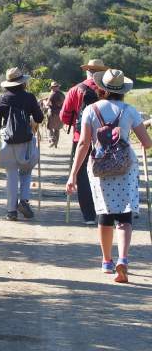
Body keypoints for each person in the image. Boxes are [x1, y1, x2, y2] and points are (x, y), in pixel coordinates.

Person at [66, 69, 152, 283]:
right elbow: (147, 142)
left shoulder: (91, 110)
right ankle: (123, 259)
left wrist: (73, 174)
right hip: (125, 167)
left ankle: (107, 261)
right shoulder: (130, 110)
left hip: (100, 167)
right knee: (124, 216)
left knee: (104, 214)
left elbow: (84, 144)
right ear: (123, 90)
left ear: (102, 89)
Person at [60, 59, 110, 225]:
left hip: (81, 138)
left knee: (82, 175)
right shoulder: (109, 90)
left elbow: (64, 116)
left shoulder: (75, 90)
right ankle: (104, 210)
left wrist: (75, 122)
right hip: (107, 139)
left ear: (87, 71)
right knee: (106, 172)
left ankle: (88, 215)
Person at [0, 68, 44, 221]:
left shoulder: (1, 99)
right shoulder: (29, 97)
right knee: (26, 172)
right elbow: (39, 118)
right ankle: (24, 201)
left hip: (7, 141)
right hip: (25, 141)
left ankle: (11, 211)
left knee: (11, 176)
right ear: (23, 83)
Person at [45, 82, 65, 148]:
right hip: (60, 113)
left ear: (53, 87)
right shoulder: (62, 94)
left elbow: (47, 104)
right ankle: (56, 144)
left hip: (52, 113)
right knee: (57, 129)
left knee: (50, 128)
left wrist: (45, 102)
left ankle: (53, 140)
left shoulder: (52, 94)